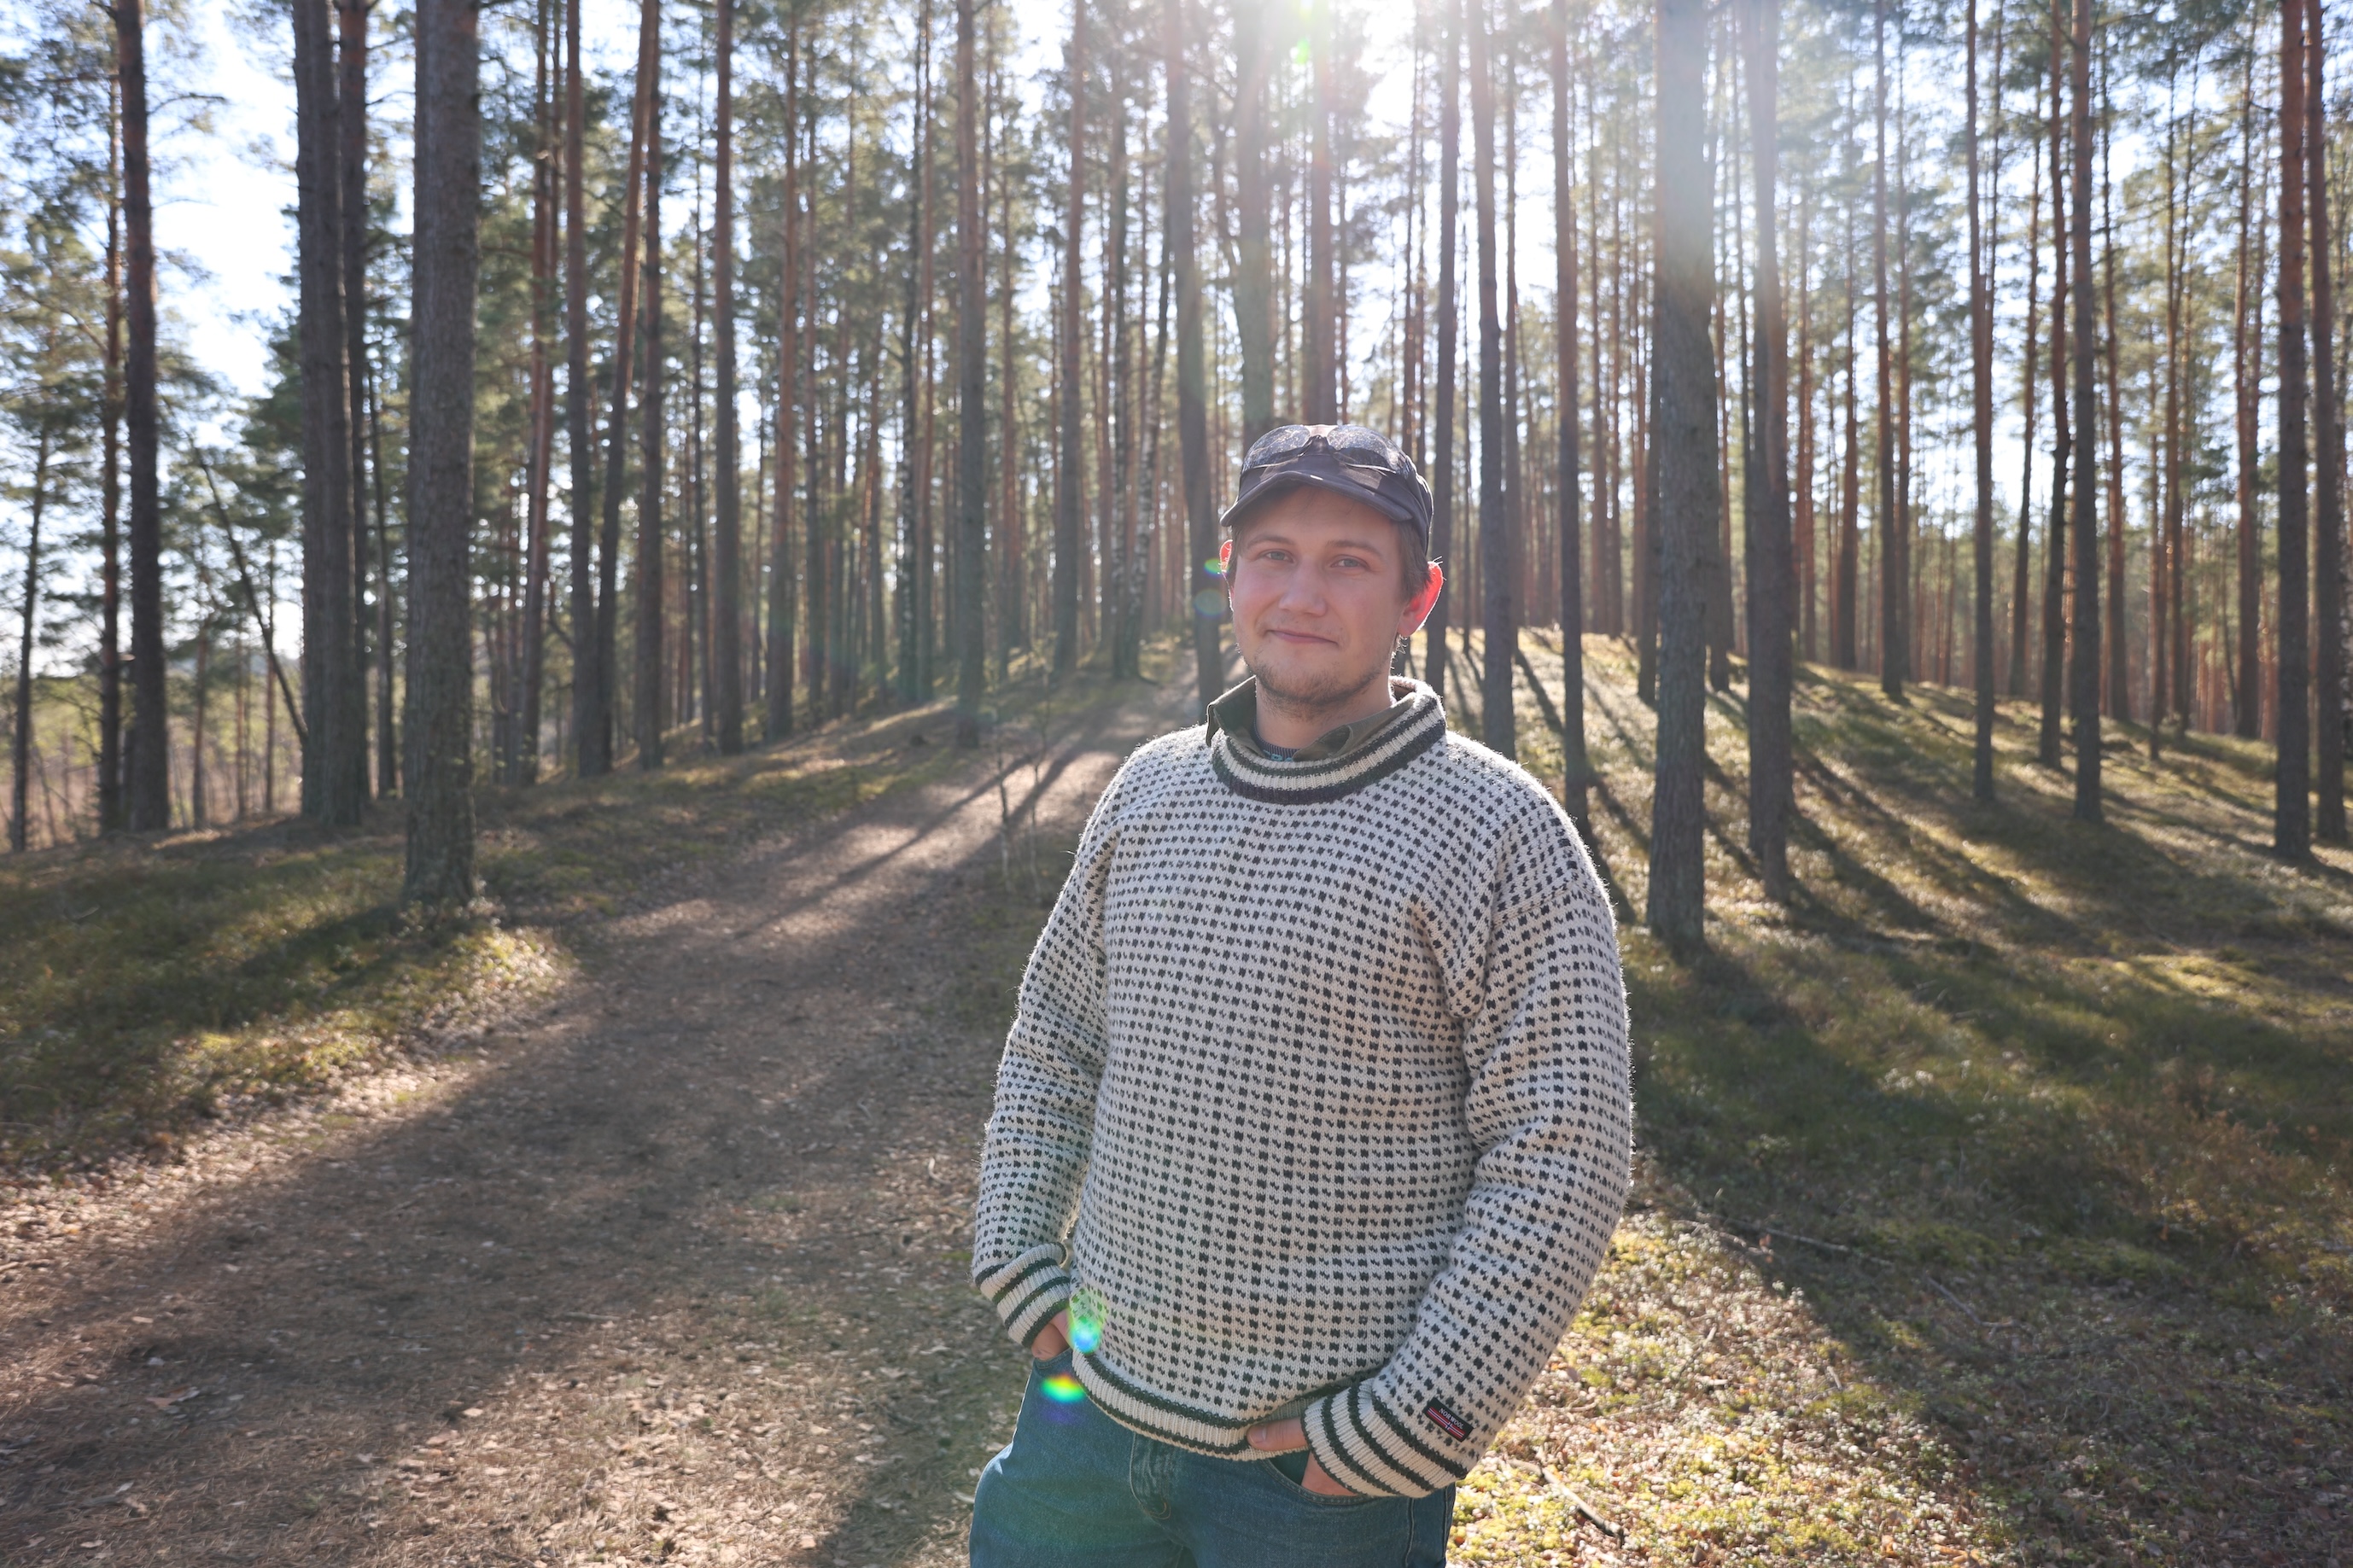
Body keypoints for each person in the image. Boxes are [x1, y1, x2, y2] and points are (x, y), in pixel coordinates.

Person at [968, 423, 1632, 1567]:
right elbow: (1056, 1040)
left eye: (1349, 561)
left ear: (1416, 596)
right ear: (1230, 575)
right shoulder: (1150, 789)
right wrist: (1019, 1262)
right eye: (1272, 553)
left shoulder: (1499, 829)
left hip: (1321, 1493)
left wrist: (1403, 1425)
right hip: (1081, 1427)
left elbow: (1562, 1152)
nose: (1302, 592)